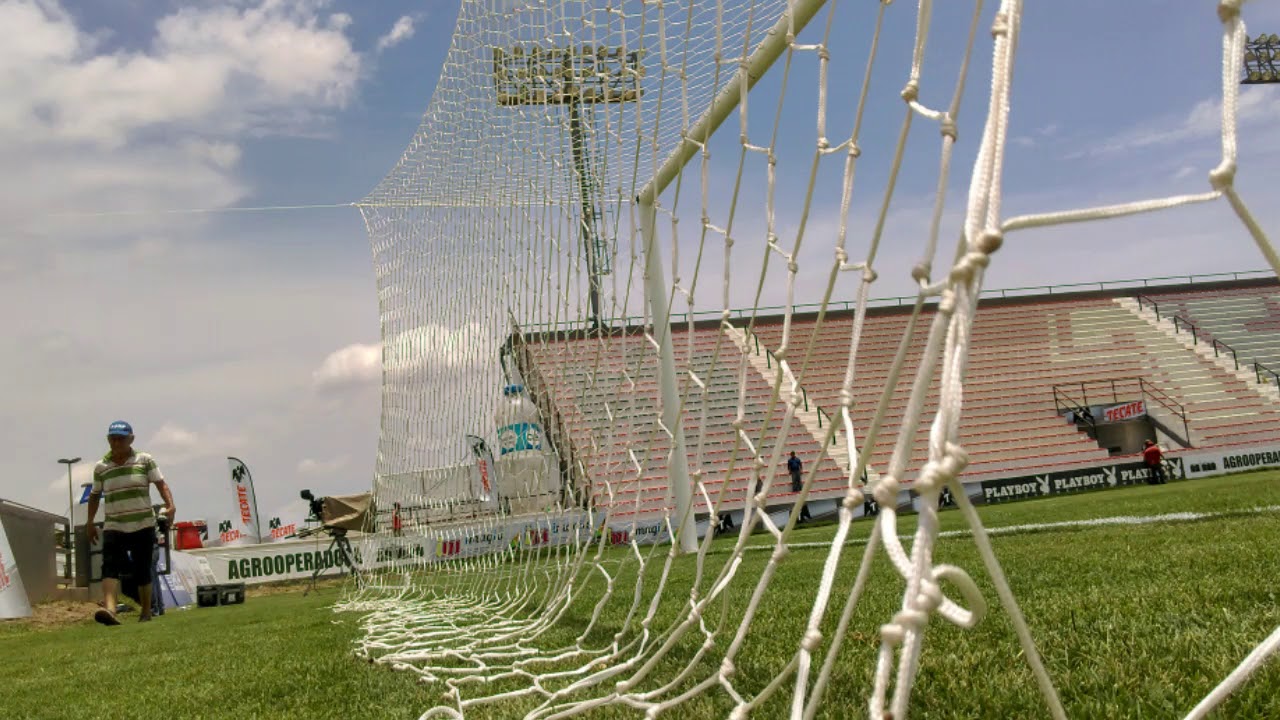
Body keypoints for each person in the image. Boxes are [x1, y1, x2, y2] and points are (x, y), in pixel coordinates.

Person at [86, 421, 176, 626]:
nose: (117, 443)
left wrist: (170, 505)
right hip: (114, 524)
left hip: (142, 523)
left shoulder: (145, 460)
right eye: (113, 439)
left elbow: (161, 484)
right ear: (108, 440)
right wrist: (90, 522)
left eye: (121, 438)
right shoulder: (101, 467)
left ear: (131, 439)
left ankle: (146, 611)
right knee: (109, 566)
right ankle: (110, 610)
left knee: (142, 568)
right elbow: (95, 495)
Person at [788, 451, 811, 522]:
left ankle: (800, 489)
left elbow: (800, 464)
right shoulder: (790, 460)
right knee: (794, 481)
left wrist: (801, 470)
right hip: (793, 471)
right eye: (791, 454)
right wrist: (789, 471)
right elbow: (789, 466)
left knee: (799, 480)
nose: (792, 455)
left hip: (797, 470)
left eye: (792, 454)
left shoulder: (797, 459)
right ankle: (795, 489)